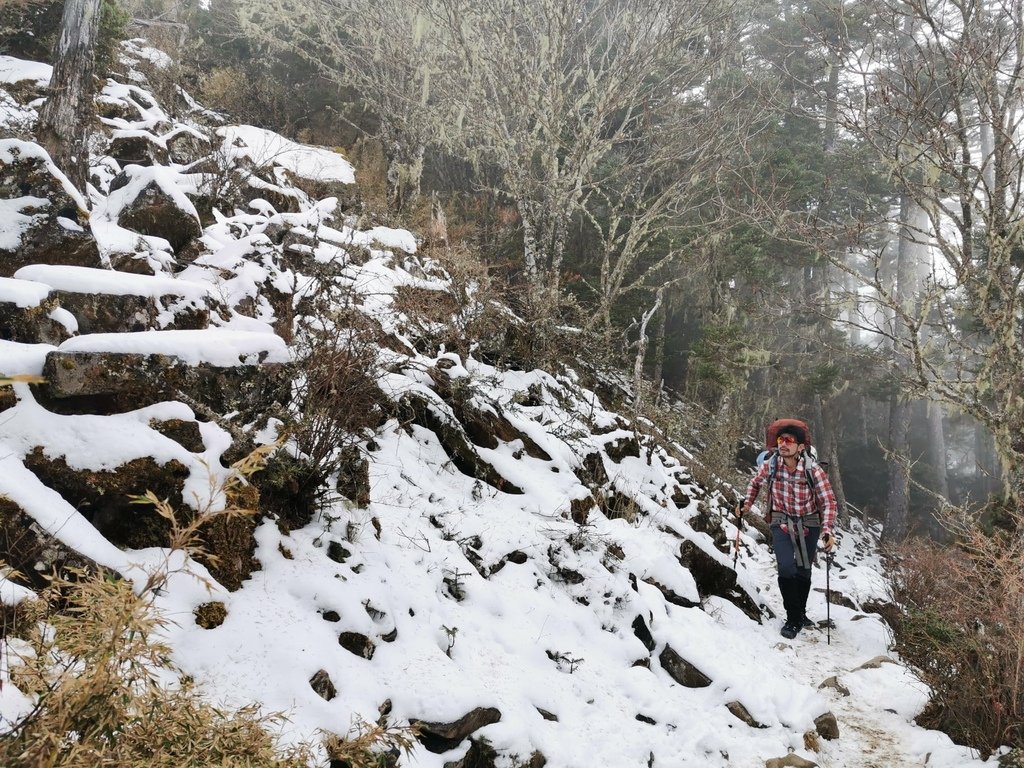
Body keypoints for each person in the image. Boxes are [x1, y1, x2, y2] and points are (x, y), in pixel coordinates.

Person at [742, 424, 837, 639]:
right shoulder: (771, 465)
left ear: (801, 447)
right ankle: (793, 618)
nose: (783, 445)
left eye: (789, 441)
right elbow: (755, 483)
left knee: (803, 570)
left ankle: (800, 614)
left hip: (809, 524)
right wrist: (747, 504)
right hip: (781, 522)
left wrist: (827, 530)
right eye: (780, 441)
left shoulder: (813, 471)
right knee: (786, 567)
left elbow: (829, 502)